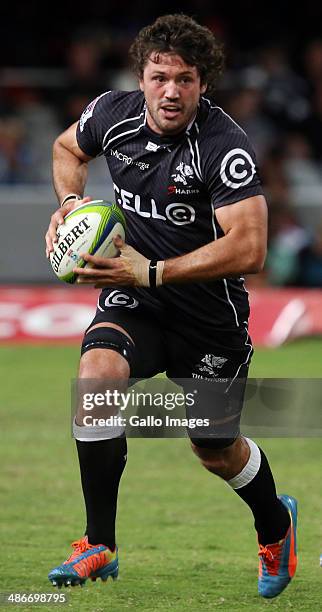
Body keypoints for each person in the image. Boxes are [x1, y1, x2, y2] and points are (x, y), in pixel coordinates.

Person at [45, 14, 297, 599]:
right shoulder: (112, 113)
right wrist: (71, 202)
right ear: (141, 77)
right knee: (96, 378)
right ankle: (97, 543)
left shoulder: (224, 146)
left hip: (210, 321)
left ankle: (274, 524)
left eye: (185, 79)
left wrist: (154, 269)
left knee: (213, 448)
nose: (171, 91)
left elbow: (251, 246)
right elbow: (65, 147)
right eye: (160, 77)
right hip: (135, 299)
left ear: (203, 84)